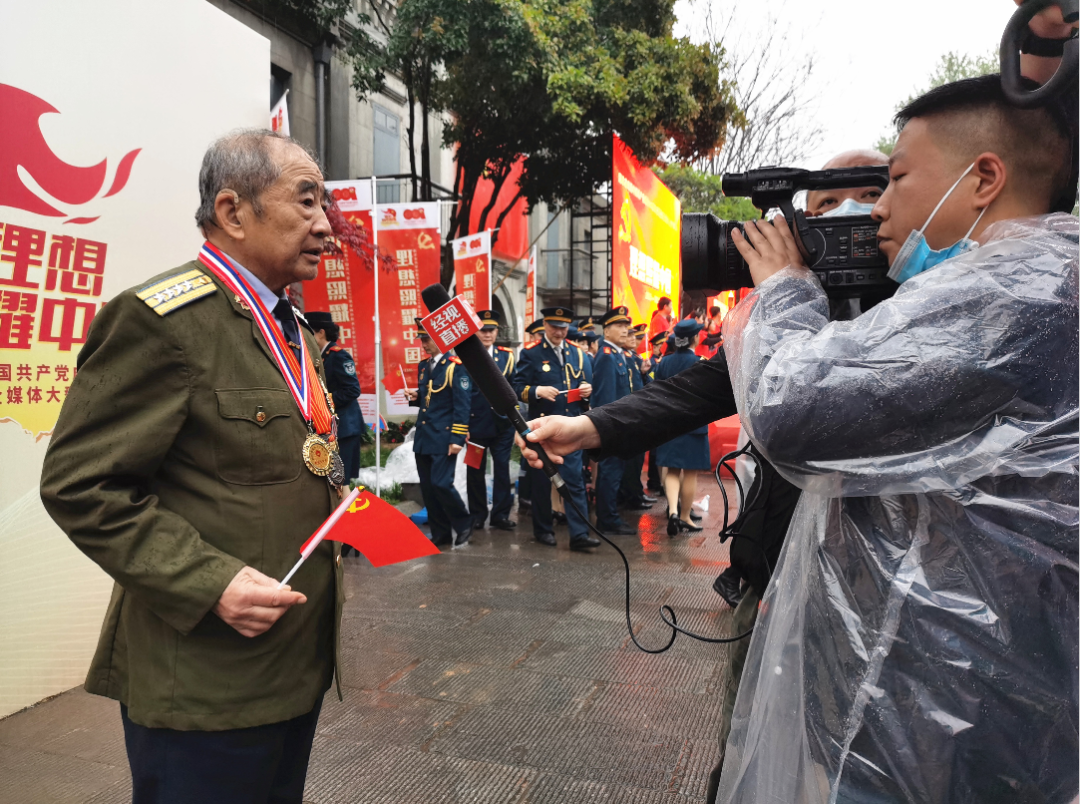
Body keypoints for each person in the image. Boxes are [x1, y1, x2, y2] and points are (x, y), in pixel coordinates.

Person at [39, 129, 341, 803]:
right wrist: (211, 583)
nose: (327, 226)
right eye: (307, 201)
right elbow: (81, 484)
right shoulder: (164, 322)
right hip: (205, 677)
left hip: (292, 662)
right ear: (234, 213)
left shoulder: (291, 330)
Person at [510, 307, 599, 550]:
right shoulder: (531, 353)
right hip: (541, 429)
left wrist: (585, 392)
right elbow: (517, 387)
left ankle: (579, 534)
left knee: (575, 483)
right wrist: (537, 391)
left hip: (570, 427)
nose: (559, 331)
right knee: (541, 483)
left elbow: (584, 387)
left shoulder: (577, 354)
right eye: (554, 326)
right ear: (545, 325)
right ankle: (542, 530)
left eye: (563, 327)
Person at [404, 319, 474, 549]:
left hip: (444, 437)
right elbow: (429, 400)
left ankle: (464, 523)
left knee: (442, 483)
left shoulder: (456, 365)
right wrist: (415, 397)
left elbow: (462, 405)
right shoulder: (424, 366)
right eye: (421, 338)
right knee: (429, 488)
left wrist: (457, 438)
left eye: (427, 338)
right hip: (425, 437)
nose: (423, 343)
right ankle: (441, 532)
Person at [654, 320, 710, 537]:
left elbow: (656, 391)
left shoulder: (664, 363)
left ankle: (673, 512)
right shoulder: (700, 362)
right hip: (693, 425)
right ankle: (686, 516)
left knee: (671, 470)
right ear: (694, 338)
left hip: (669, 423)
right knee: (690, 474)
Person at [465, 309, 517, 531]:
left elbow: (512, 391)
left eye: (491, 330)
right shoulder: (466, 356)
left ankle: (500, 515)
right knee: (474, 470)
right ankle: (477, 514)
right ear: (476, 332)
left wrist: (516, 424)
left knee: (502, 470)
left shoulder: (507, 356)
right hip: (474, 425)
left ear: (497, 332)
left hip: (502, 424)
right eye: (483, 330)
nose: (487, 334)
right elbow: (463, 394)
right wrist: (463, 426)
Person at [589, 306, 637, 535]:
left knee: (614, 471)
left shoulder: (616, 353)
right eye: (619, 325)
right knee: (609, 471)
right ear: (606, 331)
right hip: (612, 425)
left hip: (620, 423)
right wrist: (610, 426)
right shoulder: (607, 356)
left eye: (625, 325)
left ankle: (609, 515)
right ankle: (607, 519)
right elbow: (607, 397)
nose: (625, 329)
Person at [305, 311, 364, 484]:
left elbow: (352, 390)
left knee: (341, 478)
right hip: (332, 427)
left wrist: (324, 400)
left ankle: (347, 511)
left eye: (310, 333)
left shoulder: (338, 356)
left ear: (321, 332)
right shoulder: (322, 356)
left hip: (345, 428)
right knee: (333, 477)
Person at [619, 323, 655, 511]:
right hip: (627, 415)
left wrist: (644, 372)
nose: (634, 339)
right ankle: (631, 495)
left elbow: (644, 385)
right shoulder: (623, 358)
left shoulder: (634, 358)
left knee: (637, 460)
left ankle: (636, 492)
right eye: (631, 336)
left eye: (636, 337)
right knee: (630, 462)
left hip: (636, 414)